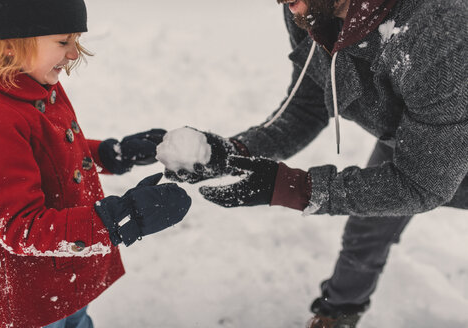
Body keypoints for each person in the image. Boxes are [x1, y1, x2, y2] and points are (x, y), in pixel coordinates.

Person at [163, 0, 467, 326]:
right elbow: (308, 104)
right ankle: (338, 312)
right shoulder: (308, 10)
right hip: (415, 138)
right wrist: (235, 151)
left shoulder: (439, 26)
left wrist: (298, 189)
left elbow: (419, 183)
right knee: (366, 232)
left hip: (441, 148)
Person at [0, 0, 191, 327]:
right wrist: (123, 217)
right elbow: (20, 227)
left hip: (63, 278)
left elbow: (48, 153)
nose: (74, 53)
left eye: (75, 39)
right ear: (10, 45)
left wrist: (110, 153)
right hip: (30, 301)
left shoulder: (31, 78)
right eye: (63, 42)